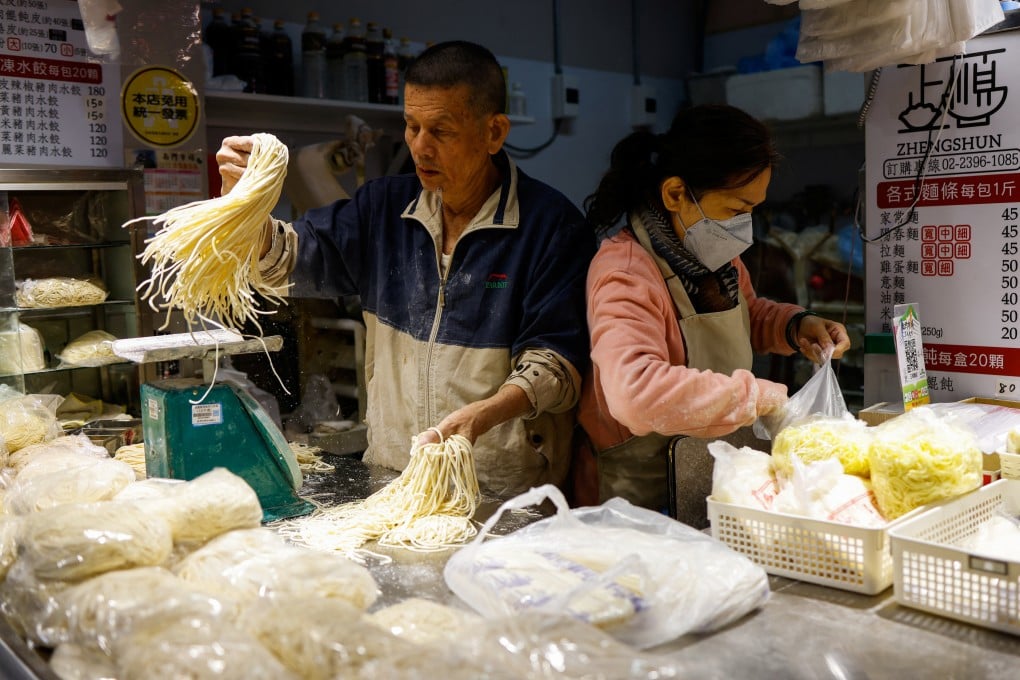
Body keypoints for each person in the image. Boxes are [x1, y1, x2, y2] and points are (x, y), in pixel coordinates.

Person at [215, 41, 594, 497]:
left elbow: (556, 367)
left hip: (503, 489)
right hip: (395, 477)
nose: (420, 147)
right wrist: (242, 205)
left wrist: (483, 416)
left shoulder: (550, 227)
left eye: (441, 130)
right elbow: (287, 258)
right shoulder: (384, 209)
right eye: (412, 126)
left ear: (494, 132)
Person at [574, 104, 851, 512]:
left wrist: (795, 325)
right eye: (736, 210)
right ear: (675, 194)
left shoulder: (713, 254)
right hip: (639, 490)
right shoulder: (626, 272)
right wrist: (758, 397)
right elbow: (635, 392)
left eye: (753, 210)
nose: (745, 227)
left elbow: (745, 314)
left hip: (707, 463)